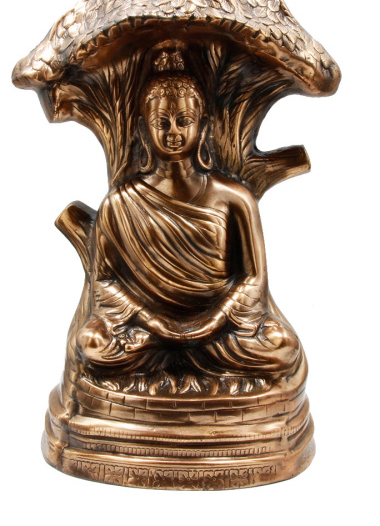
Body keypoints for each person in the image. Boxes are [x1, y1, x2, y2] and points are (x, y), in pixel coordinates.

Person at [76, 66, 302, 377]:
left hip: (221, 329)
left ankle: (182, 357)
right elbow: (104, 283)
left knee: (283, 346)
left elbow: (253, 280)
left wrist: (213, 322)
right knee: (92, 344)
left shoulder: (235, 198)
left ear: (203, 127)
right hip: (147, 330)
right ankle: (174, 355)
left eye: (184, 121)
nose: (173, 132)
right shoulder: (120, 203)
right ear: (143, 129)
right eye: (162, 123)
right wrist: (154, 322)